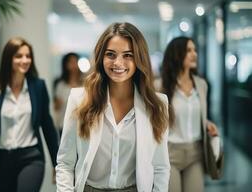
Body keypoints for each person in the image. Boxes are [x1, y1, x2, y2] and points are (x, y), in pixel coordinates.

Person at [56, 22, 170, 192]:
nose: (118, 62)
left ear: (139, 58)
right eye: (111, 54)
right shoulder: (79, 100)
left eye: (128, 55)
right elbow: (65, 162)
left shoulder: (157, 105)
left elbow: (160, 166)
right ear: (101, 58)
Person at [0, 37, 59, 192]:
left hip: (31, 157)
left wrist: (57, 163)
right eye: (19, 56)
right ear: (9, 59)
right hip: (1, 159)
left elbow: (47, 126)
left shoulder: (38, 87)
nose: (25, 60)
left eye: (28, 56)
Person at [159, 36, 218, 192]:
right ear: (176, 54)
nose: (194, 54)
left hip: (195, 153)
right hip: (170, 153)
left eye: (195, 50)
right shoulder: (161, 86)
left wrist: (207, 123)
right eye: (188, 50)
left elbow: (200, 113)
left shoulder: (201, 84)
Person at [52, 52, 83, 137]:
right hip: (64, 125)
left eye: (76, 61)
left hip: (82, 126)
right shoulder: (60, 85)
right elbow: (56, 107)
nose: (74, 65)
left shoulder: (85, 83)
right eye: (71, 62)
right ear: (65, 65)